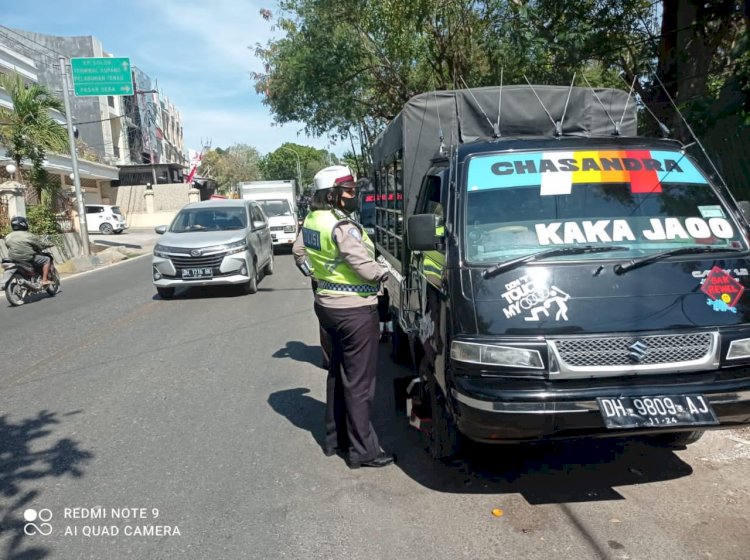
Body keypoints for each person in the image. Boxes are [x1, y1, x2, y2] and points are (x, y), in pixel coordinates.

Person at [294, 167, 394, 469]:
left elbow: (298, 252)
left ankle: (334, 439)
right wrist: (384, 271)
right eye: (349, 190)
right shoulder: (342, 225)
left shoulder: (312, 219)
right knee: (360, 383)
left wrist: (320, 276)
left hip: (326, 306)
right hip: (354, 310)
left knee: (338, 373)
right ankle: (363, 451)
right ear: (333, 195)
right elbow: (364, 267)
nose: (355, 195)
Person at [4, 216, 52, 286]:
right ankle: (44, 280)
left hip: (13, 259)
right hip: (27, 258)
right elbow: (40, 245)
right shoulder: (29, 235)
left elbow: (8, 246)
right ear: (23, 224)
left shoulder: (8, 236)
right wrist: (48, 245)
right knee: (47, 259)